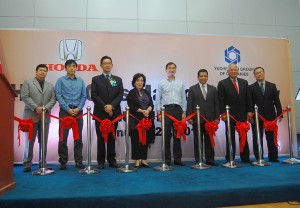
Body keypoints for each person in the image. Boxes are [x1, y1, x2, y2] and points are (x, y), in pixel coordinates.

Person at [21, 64, 56, 172]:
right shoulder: (28, 83)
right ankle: (27, 163)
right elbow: (25, 97)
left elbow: (53, 99)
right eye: (41, 70)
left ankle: (42, 163)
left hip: (45, 116)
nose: (43, 72)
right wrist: (36, 107)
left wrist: (45, 108)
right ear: (36, 72)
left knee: (44, 141)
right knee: (29, 141)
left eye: (45, 71)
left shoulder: (50, 85)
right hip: (31, 116)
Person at [91, 56, 124, 169]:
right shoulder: (95, 79)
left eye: (109, 63)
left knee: (112, 137)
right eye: (105, 63)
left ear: (112, 65)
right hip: (100, 113)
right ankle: (100, 161)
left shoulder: (118, 79)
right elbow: (94, 95)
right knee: (100, 137)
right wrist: (105, 106)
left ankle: (111, 160)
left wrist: (112, 106)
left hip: (113, 113)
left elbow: (120, 94)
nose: (107, 65)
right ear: (101, 65)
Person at [55, 59, 86, 170]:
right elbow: (59, 96)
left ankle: (79, 161)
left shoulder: (81, 81)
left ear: (76, 68)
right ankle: (63, 161)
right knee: (63, 137)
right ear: (66, 68)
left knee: (78, 138)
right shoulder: (60, 80)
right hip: (65, 112)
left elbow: (84, 96)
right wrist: (68, 109)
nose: (72, 68)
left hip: (78, 112)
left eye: (74, 66)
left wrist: (78, 108)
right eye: (69, 66)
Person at [217, 63, 251, 163]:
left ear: (237, 71)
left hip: (242, 114)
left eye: (235, 70)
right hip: (229, 115)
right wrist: (222, 113)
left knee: (243, 136)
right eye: (231, 70)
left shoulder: (244, 82)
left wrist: (249, 111)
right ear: (228, 71)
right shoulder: (222, 83)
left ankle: (245, 157)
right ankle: (230, 158)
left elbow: (248, 98)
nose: (233, 71)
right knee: (230, 137)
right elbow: (221, 100)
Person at [156, 62, 187, 166]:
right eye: (170, 68)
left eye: (174, 68)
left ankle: (178, 159)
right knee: (166, 136)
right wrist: (159, 112)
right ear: (166, 70)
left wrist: (184, 111)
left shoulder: (180, 83)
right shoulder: (161, 83)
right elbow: (158, 98)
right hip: (166, 110)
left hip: (178, 110)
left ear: (176, 70)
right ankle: (166, 160)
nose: (172, 70)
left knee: (177, 136)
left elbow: (183, 98)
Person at [249, 67, 282, 162]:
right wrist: (250, 115)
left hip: (271, 116)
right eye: (257, 73)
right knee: (257, 138)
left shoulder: (272, 86)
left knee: (271, 138)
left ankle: (273, 157)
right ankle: (259, 157)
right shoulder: (251, 87)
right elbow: (250, 103)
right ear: (254, 75)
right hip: (256, 117)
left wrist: (279, 114)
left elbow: (277, 101)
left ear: (264, 73)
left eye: (260, 72)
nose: (259, 74)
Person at [187, 69, 220, 166]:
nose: (203, 77)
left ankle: (210, 159)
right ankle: (199, 160)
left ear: (207, 77)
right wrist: (190, 117)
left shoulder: (213, 89)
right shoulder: (192, 89)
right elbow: (190, 104)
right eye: (201, 76)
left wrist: (217, 118)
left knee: (209, 140)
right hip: (197, 119)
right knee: (198, 140)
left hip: (210, 119)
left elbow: (216, 104)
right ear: (198, 77)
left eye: (205, 76)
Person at [126, 73, 155, 168]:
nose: (140, 82)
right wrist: (142, 111)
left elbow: (151, 104)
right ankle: (137, 160)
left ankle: (144, 159)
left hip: (146, 120)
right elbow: (131, 106)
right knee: (135, 140)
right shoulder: (131, 93)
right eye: (138, 80)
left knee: (145, 140)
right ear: (134, 82)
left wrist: (148, 110)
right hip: (135, 120)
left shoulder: (146, 92)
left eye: (142, 80)